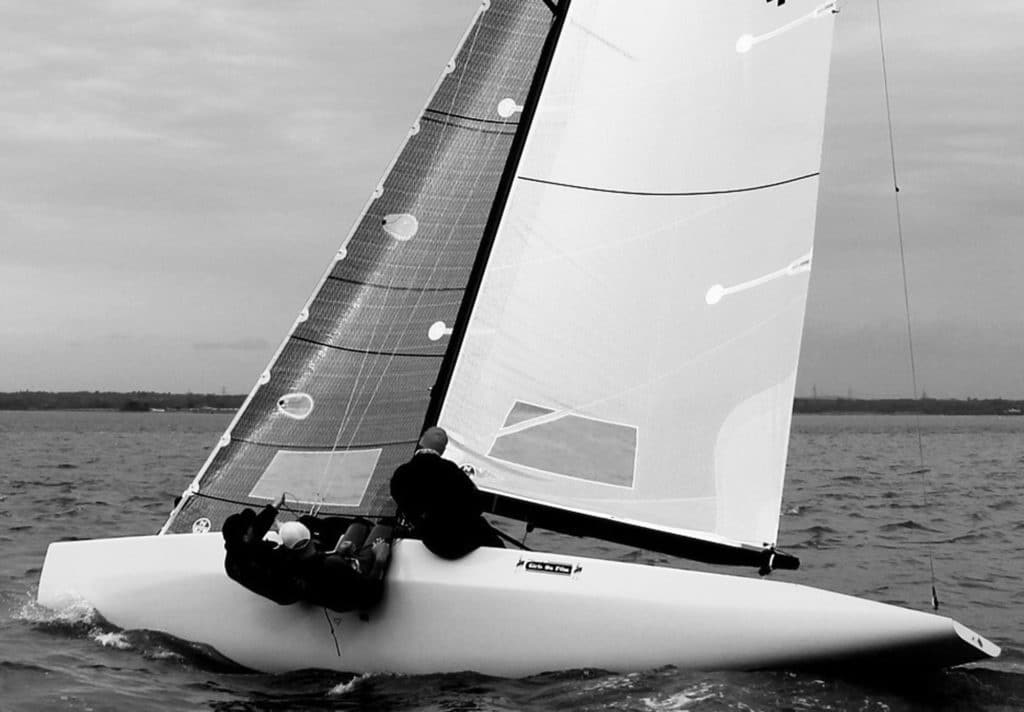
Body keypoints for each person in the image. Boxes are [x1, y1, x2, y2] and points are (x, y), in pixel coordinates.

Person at [390, 426, 503, 559]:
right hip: (462, 540)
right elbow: (476, 503)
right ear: (442, 450)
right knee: (487, 534)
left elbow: (403, 502)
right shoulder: (452, 470)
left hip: (432, 540)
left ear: (421, 441)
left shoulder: (402, 473)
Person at [278, 520, 392, 612]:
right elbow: (370, 593)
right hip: (360, 584)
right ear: (312, 539)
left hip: (341, 582)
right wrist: (379, 560)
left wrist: (339, 554)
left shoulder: (294, 570)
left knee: (358, 526)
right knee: (383, 525)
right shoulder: (333, 565)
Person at [221, 493, 304, 605]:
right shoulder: (259, 558)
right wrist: (287, 532)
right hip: (293, 589)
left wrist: (274, 506)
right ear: (245, 536)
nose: (252, 527)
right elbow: (287, 562)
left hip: (281, 580)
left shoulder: (236, 550)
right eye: (249, 527)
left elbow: (256, 528)